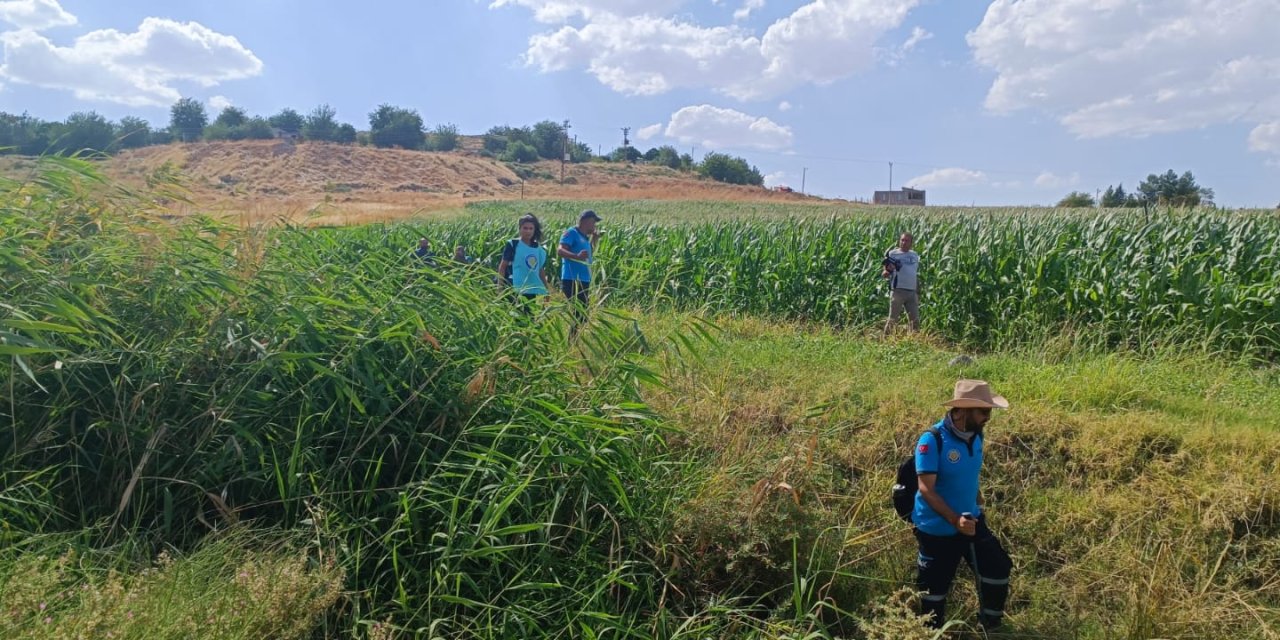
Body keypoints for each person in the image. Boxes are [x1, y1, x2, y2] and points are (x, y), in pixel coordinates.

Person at [913, 379, 1013, 630]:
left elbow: (967, 475)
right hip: (938, 528)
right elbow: (926, 488)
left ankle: (990, 626)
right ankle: (930, 633)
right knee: (934, 590)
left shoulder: (976, 436)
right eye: (984, 412)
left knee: (998, 567)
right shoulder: (932, 440)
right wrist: (954, 519)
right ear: (963, 411)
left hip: (971, 520)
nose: (988, 418)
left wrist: (976, 500)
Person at [557, 209, 600, 335]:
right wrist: (577, 256)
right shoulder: (571, 233)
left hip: (584, 279)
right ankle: (571, 342)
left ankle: (575, 340)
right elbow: (560, 251)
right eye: (594, 222)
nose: (595, 225)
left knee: (582, 314)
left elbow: (588, 254)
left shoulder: (584, 238)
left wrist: (594, 239)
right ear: (585, 221)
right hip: (572, 279)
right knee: (580, 313)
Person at [498, 214, 549, 315]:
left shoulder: (536, 247)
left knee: (529, 317)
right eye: (525, 228)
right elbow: (502, 267)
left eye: (531, 228)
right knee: (515, 317)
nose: (528, 231)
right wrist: (499, 288)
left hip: (530, 288)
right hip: (514, 287)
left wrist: (546, 289)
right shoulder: (513, 244)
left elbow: (540, 269)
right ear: (519, 229)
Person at [882, 232, 920, 335]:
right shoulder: (893, 254)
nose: (903, 242)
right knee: (893, 319)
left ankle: (913, 342)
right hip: (898, 291)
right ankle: (885, 341)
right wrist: (888, 271)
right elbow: (885, 273)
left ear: (911, 243)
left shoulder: (915, 255)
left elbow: (914, 274)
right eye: (902, 240)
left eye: (906, 240)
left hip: (911, 292)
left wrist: (917, 293)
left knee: (915, 321)